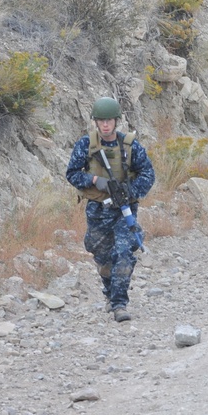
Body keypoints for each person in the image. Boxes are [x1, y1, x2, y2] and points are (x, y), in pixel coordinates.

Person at [66, 97, 155, 323]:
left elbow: (148, 174)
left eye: (110, 120)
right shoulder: (86, 145)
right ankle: (109, 292)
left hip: (124, 210)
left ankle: (119, 304)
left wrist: (130, 192)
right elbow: (72, 174)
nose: (106, 125)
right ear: (96, 122)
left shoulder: (130, 145)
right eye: (101, 120)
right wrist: (95, 179)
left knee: (124, 254)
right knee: (102, 257)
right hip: (97, 210)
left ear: (116, 121)